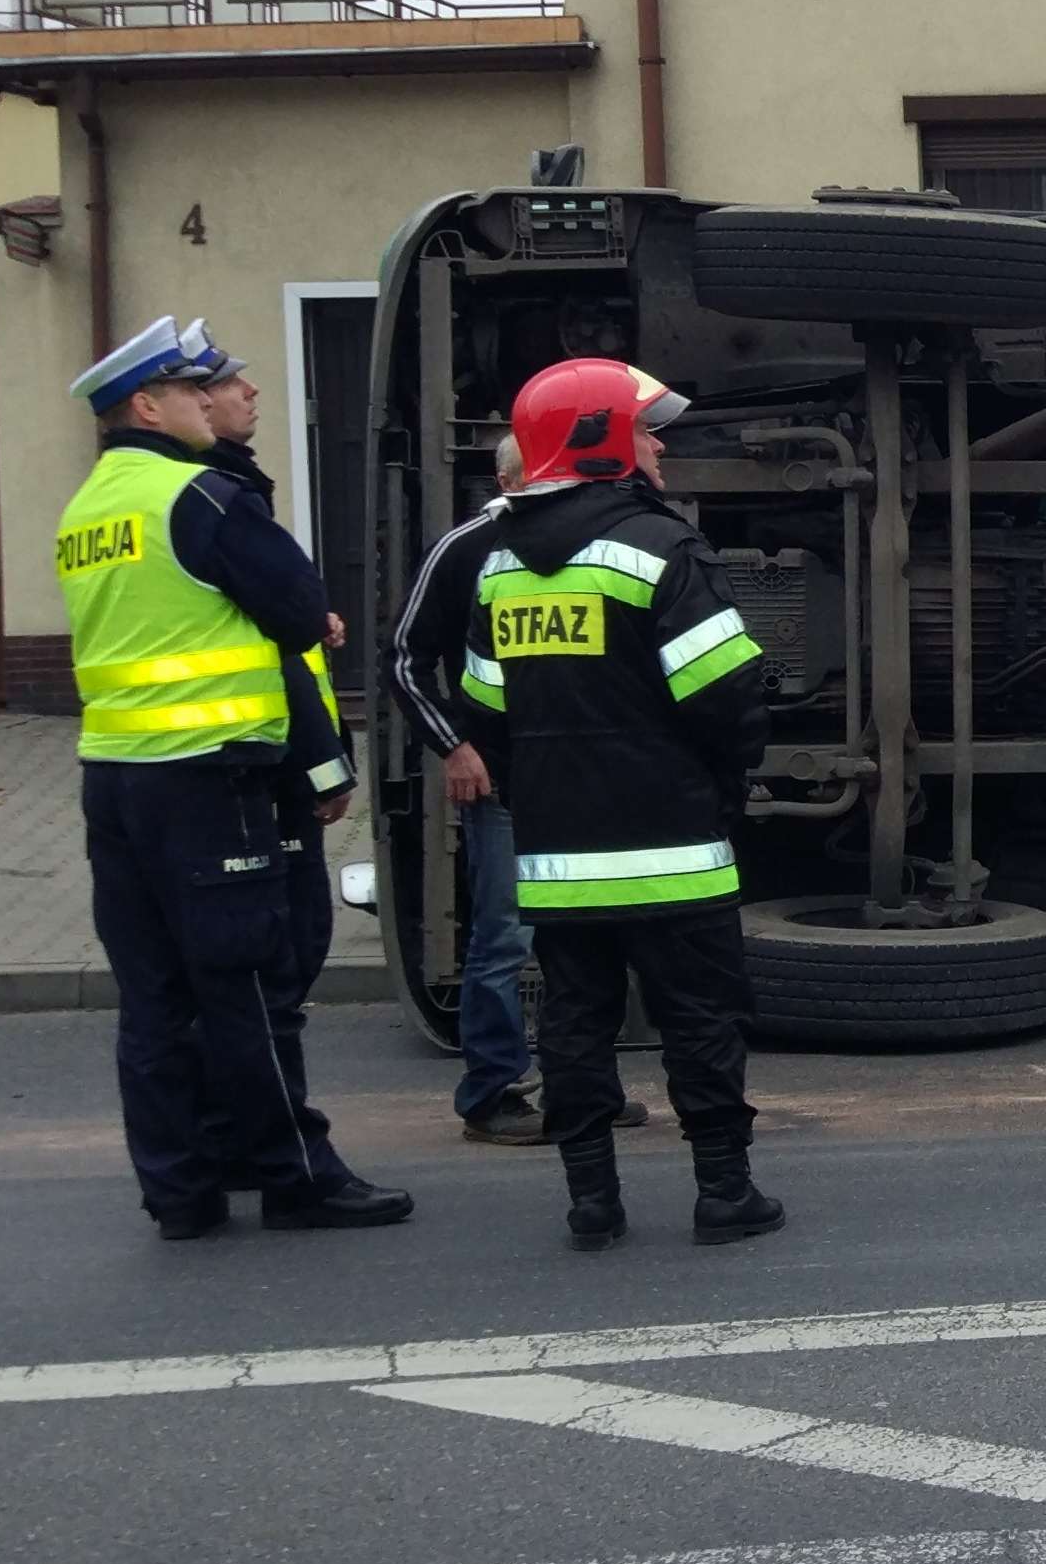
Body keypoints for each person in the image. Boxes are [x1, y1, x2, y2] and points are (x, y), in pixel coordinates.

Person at [53, 317, 411, 1240]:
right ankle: (295, 1176)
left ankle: (181, 1191)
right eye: (191, 391)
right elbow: (296, 605)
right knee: (244, 986)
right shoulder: (201, 495)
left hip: (117, 780)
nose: (212, 404)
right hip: (212, 782)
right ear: (149, 404)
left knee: (155, 1000)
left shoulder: (90, 506)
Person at [453, 356, 775, 1249]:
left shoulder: (499, 569)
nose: (658, 441)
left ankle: (591, 1202)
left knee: (574, 1025)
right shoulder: (660, 548)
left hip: (558, 859)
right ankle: (723, 1193)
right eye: (642, 426)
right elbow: (729, 698)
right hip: (673, 848)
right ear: (598, 441)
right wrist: (722, 786)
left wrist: (544, 794)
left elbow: (488, 712)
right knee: (700, 1021)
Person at [386, 431, 646, 1144]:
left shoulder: (588, 544)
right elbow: (405, 660)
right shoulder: (466, 547)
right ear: (508, 477)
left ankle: (581, 1083)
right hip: (503, 781)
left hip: (580, 779)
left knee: (588, 934)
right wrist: (453, 745)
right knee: (504, 939)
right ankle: (491, 1092)